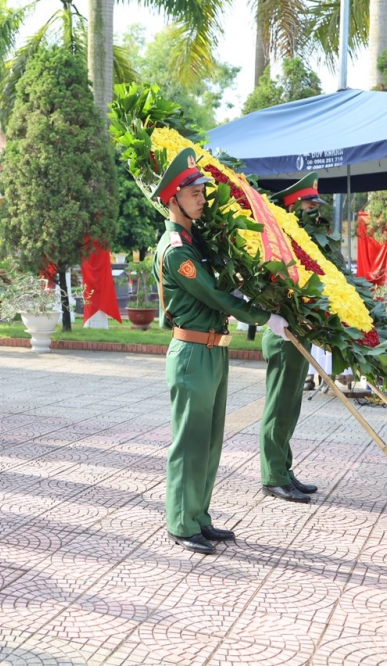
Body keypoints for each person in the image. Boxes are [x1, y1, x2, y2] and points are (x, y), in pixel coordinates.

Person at [150, 148, 288, 555]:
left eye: (201, 191)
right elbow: (213, 295)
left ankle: (198, 517)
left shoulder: (195, 242)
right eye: (193, 192)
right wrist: (264, 317)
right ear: (173, 198)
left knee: (209, 442)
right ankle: (179, 521)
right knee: (189, 441)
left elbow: (221, 289)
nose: (201, 197)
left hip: (213, 351)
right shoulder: (177, 250)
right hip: (192, 354)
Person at [257, 173, 328, 504]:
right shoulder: (275, 242)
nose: (314, 212)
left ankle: (284, 469)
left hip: (299, 331)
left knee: (292, 406)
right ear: (292, 206)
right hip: (283, 334)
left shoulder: (300, 241)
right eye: (309, 206)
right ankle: (273, 475)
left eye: (316, 206)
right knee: (279, 406)